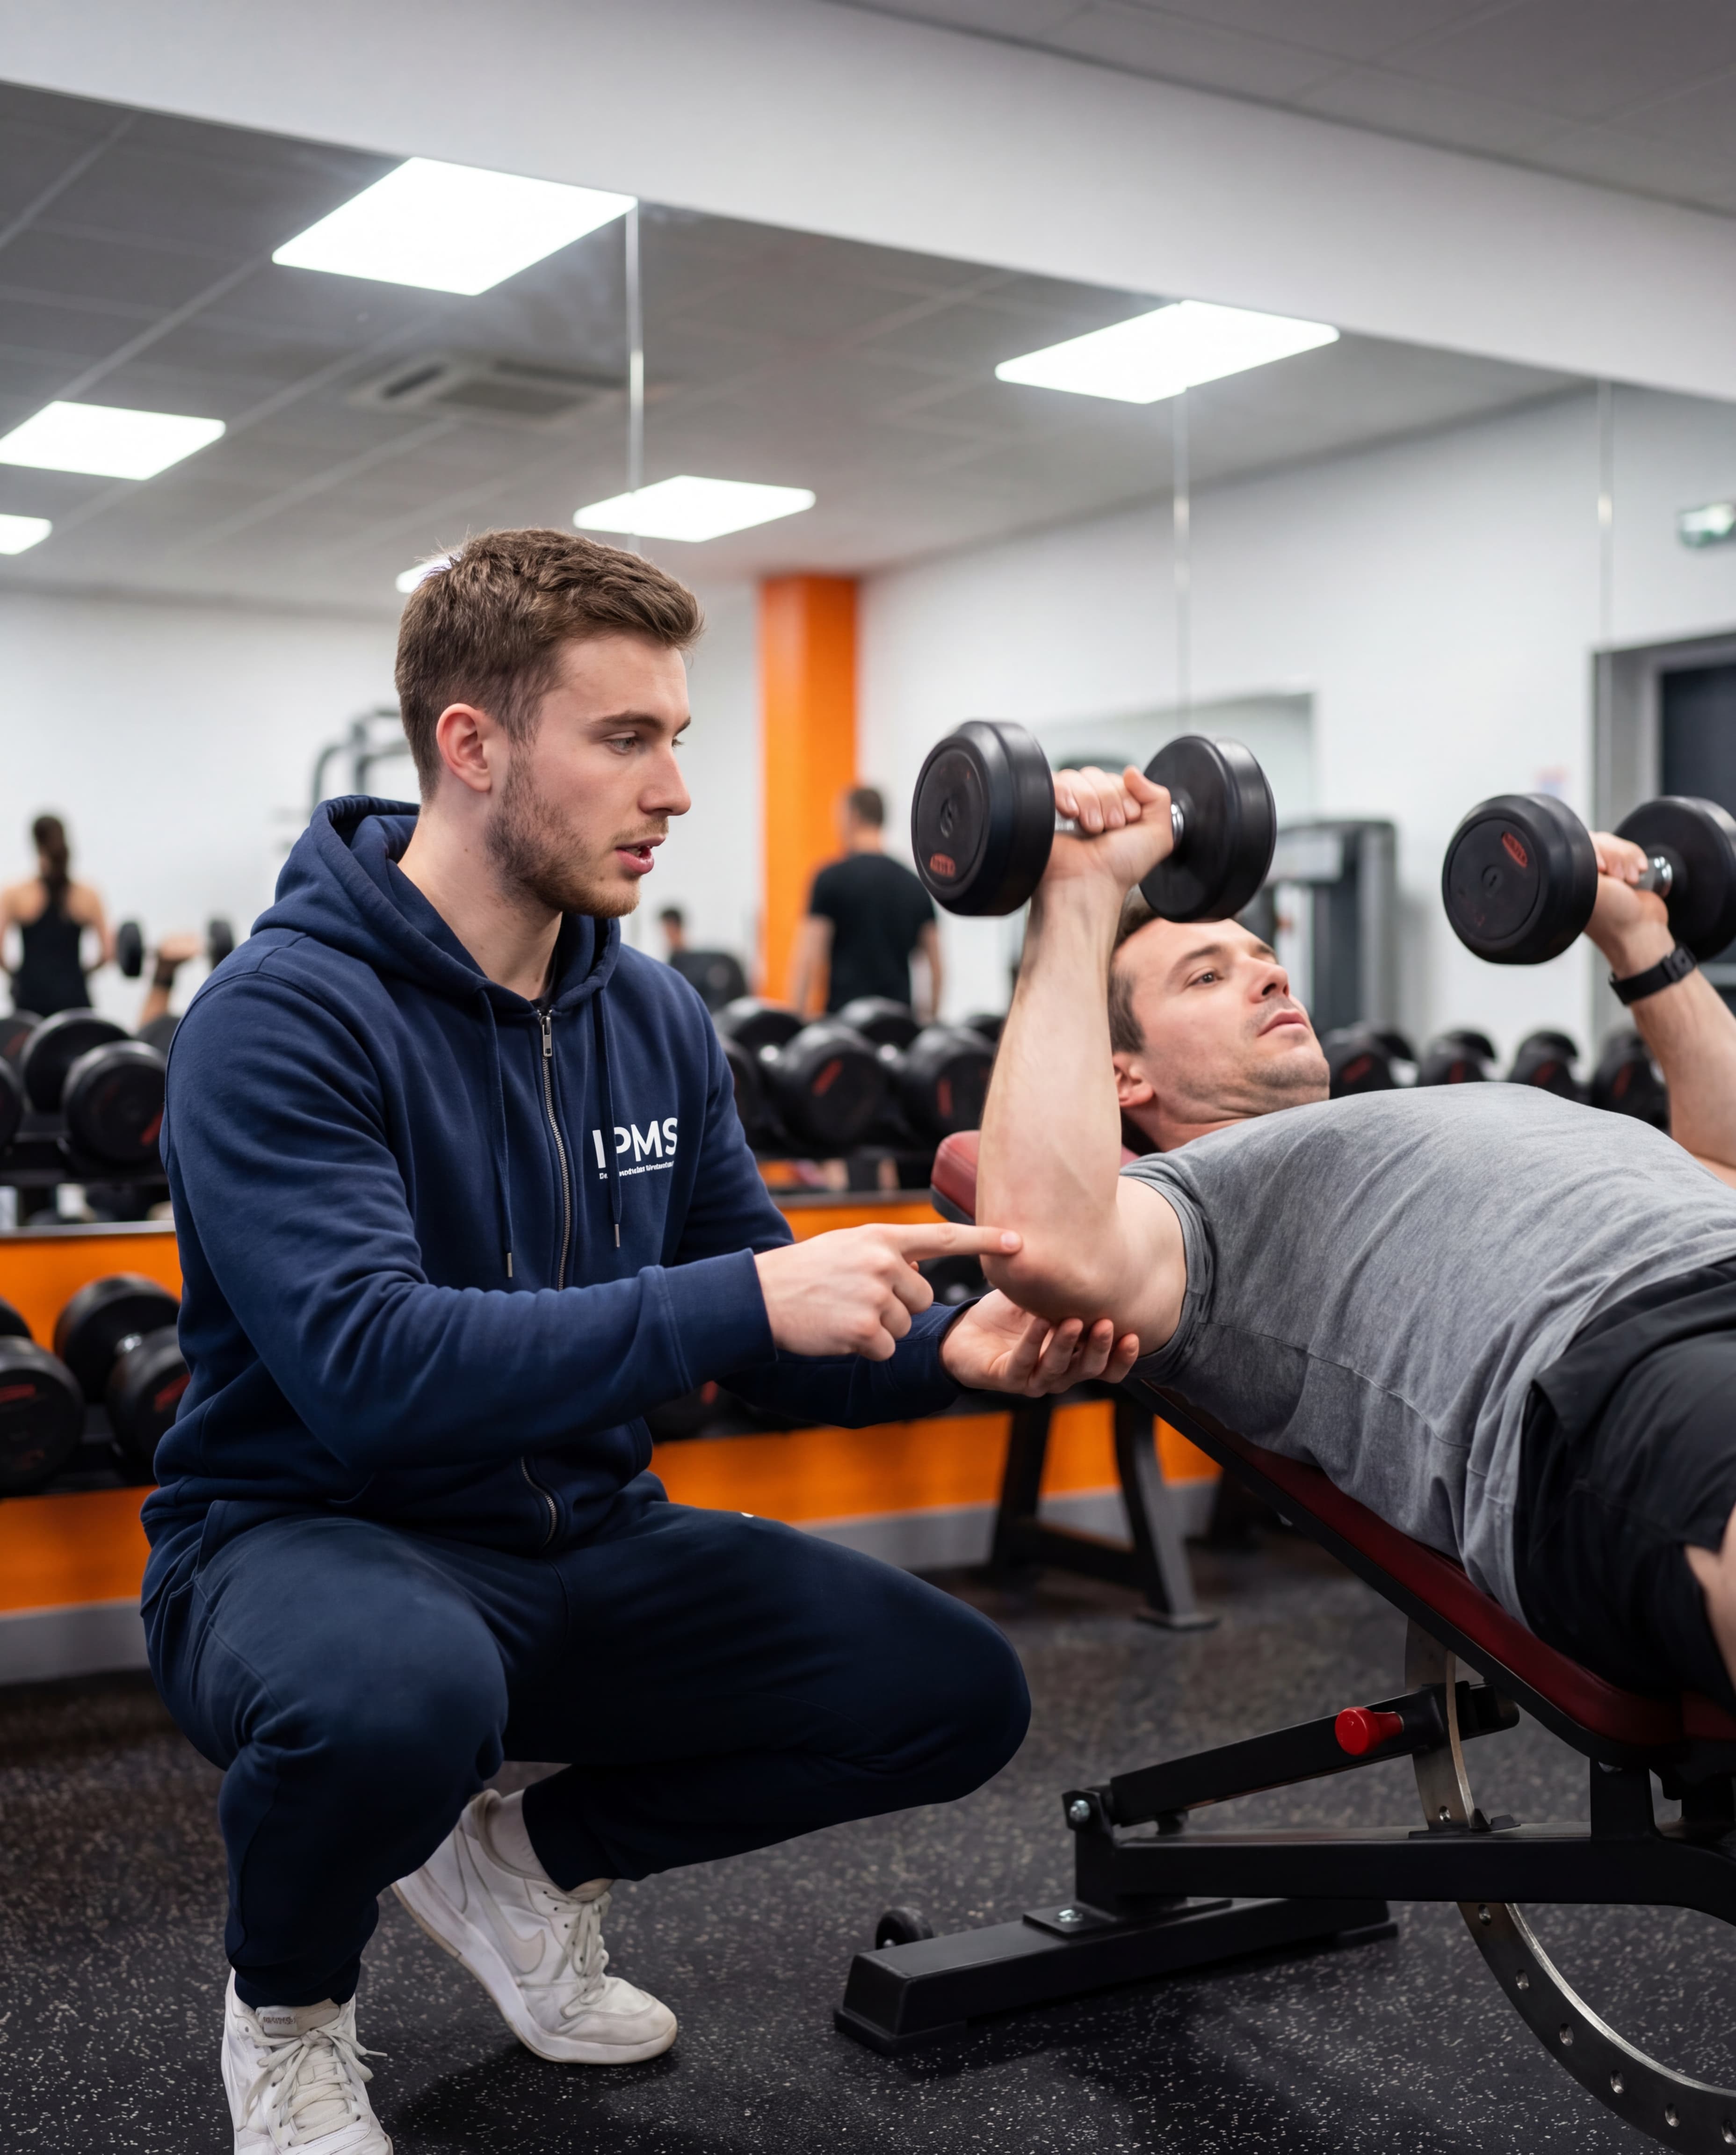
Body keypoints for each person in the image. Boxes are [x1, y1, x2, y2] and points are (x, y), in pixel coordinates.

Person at [142, 528, 1135, 2154]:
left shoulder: (653, 1015)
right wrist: (748, 1299)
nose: (674, 789)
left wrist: (948, 1354)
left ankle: (521, 1864)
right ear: (472, 744)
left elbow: (769, 1333)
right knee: (396, 1700)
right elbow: (371, 1372)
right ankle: (290, 2011)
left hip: (584, 1541)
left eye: (677, 736)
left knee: (952, 1693)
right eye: (624, 738)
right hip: (303, 1539)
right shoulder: (279, 1018)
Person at [977, 755, 1736, 1726]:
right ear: (1121, 1074)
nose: (1267, 976)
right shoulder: (1197, 1205)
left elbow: (1720, 1157)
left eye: (1262, 959)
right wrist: (1080, 893)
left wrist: (1636, 937)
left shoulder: (1422, 1108)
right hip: (1607, 1376)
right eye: (1206, 975)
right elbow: (1044, 1242)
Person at [788, 785, 941, 1019]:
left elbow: (808, 959)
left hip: (846, 1026)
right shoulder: (914, 884)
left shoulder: (830, 879)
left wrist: (798, 1022)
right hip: (898, 1027)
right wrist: (928, 1021)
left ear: (854, 817)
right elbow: (937, 967)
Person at [0, 813, 112, 1015]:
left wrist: (18, 975)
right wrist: (83, 974)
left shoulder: (16, 894)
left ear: (36, 844)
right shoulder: (88, 895)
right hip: (75, 1001)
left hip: (30, 1001)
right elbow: (108, 954)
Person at [658, 903, 747, 1011]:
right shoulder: (671, 967)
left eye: (667, 930)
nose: (666, 935)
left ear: (673, 928)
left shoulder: (705, 964)